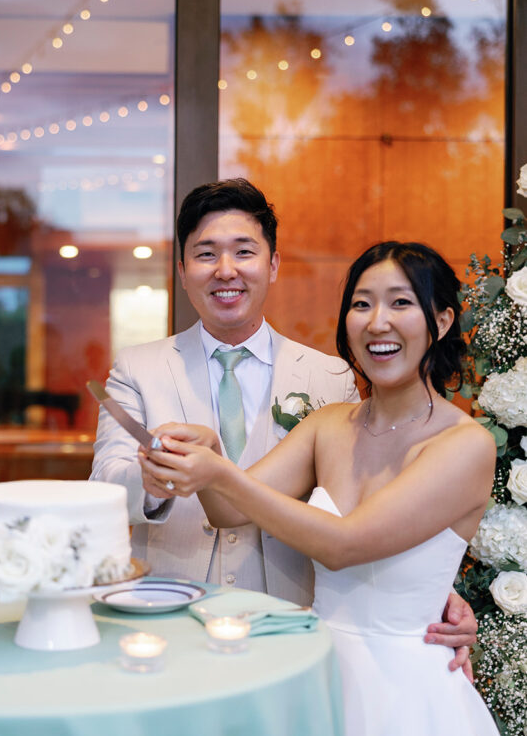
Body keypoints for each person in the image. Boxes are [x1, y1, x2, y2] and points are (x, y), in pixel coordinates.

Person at [139, 241, 527, 736]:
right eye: (361, 304)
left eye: (400, 303)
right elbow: (227, 509)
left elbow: (349, 545)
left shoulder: (465, 444)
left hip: (407, 693)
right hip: (314, 678)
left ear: (442, 319)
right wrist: (210, 453)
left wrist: (220, 471)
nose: (377, 322)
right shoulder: (327, 426)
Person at [91, 180, 475, 668]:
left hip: (292, 620)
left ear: (273, 265)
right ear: (183, 270)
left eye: (244, 252)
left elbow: (377, 501)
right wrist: (151, 482)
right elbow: (105, 484)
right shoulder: (137, 368)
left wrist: (434, 591)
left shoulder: (329, 376)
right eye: (206, 254)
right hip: (170, 615)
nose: (225, 270)